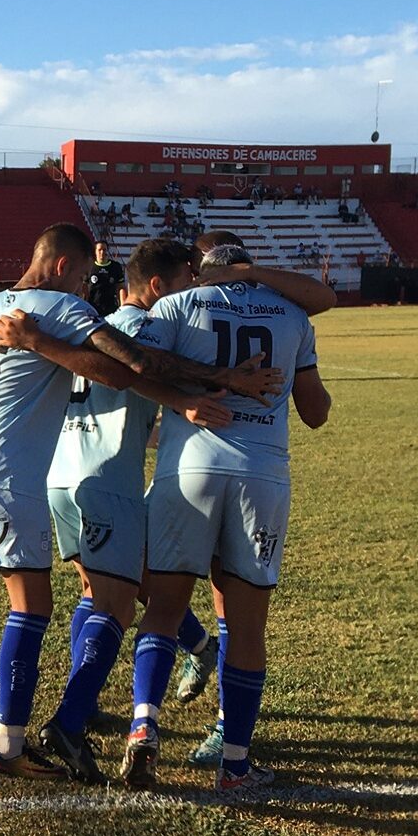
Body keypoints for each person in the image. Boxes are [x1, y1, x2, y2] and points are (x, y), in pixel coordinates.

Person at [0, 223, 284, 782]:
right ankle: (21, 743)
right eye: (83, 276)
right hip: (38, 477)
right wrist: (212, 382)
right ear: (62, 268)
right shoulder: (70, 312)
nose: (87, 288)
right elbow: (129, 367)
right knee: (59, 606)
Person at [121, 235, 331, 793]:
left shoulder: (176, 305)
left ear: (204, 270)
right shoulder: (292, 315)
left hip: (187, 467)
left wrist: (183, 399)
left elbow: (137, 363)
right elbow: (315, 413)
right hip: (261, 476)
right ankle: (234, 766)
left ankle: (143, 727)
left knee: (164, 610)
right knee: (246, 626)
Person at [87, 241, 125, 316]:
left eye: (104, 250)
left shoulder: (115, 267)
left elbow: (121, 288)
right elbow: (83, 288)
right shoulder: (89, 266)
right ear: (95, 252)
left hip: (111, 309)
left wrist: (123, 306)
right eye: (99, 250)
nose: (102, 252)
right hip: (93, 309)